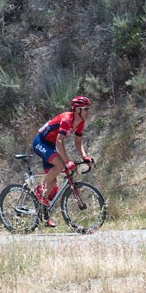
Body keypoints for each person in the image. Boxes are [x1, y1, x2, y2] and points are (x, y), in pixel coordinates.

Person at [31, 95, 96, 227]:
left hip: (50, 145)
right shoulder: (67, 119)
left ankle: (43, 217)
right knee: (60, 164)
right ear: (77, 110)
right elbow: (59, 142)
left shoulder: (80, 122)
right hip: (41, 142)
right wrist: (66, 161)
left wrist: (85, 156)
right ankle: (39, 190)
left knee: (53, 183)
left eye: (89, 109)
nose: (88, 112)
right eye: (86, 109)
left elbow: (78, 142)